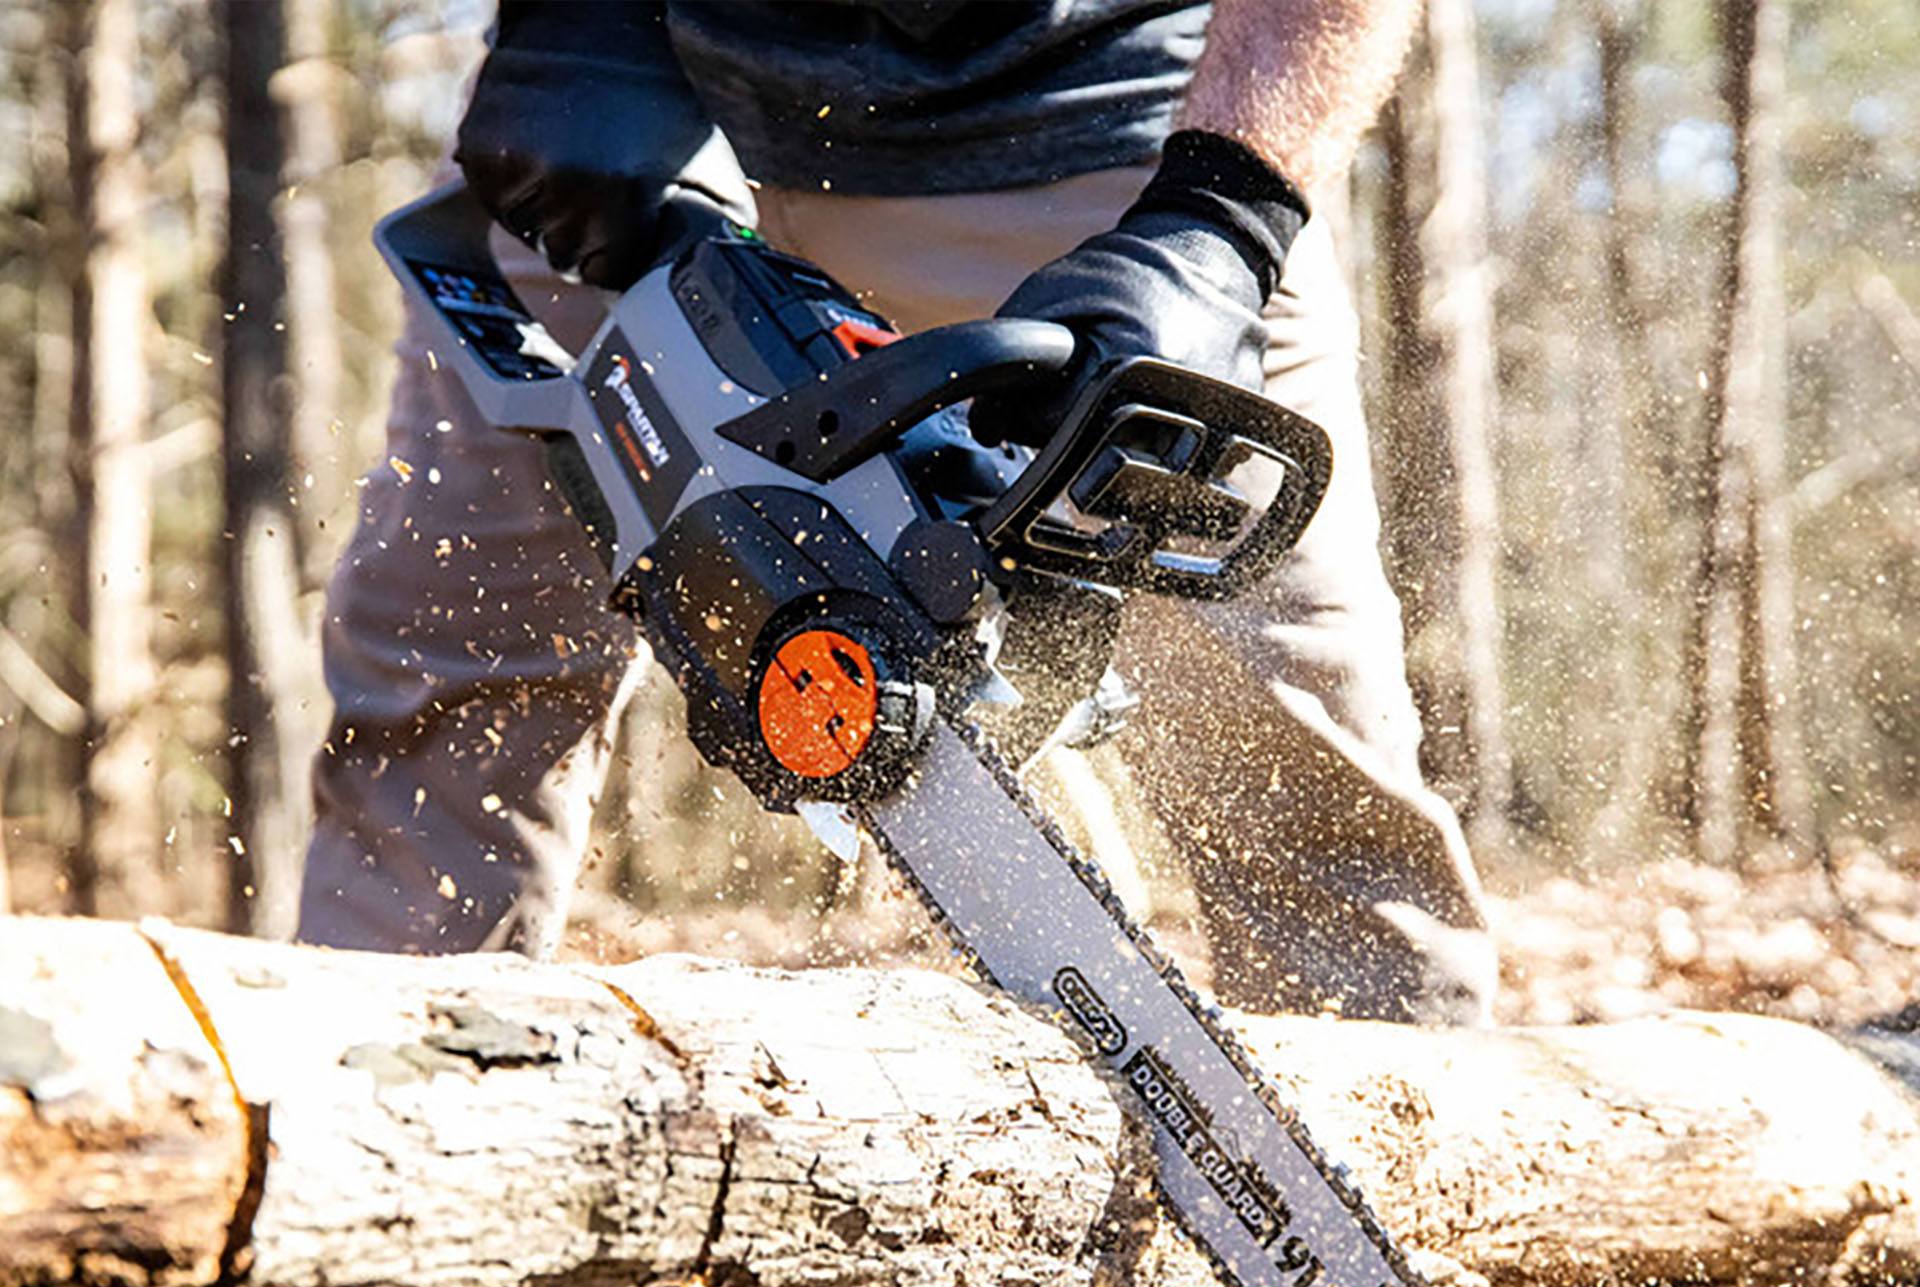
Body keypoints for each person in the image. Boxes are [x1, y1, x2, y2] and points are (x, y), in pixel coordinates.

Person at [296, 0, 1497, 1026]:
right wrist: (578, 21)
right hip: (645, 129)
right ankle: (377, 1158)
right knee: (448, 669)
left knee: (1299, 778)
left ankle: (1427, 1221)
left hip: (1117, 148)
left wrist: (1224, 223)